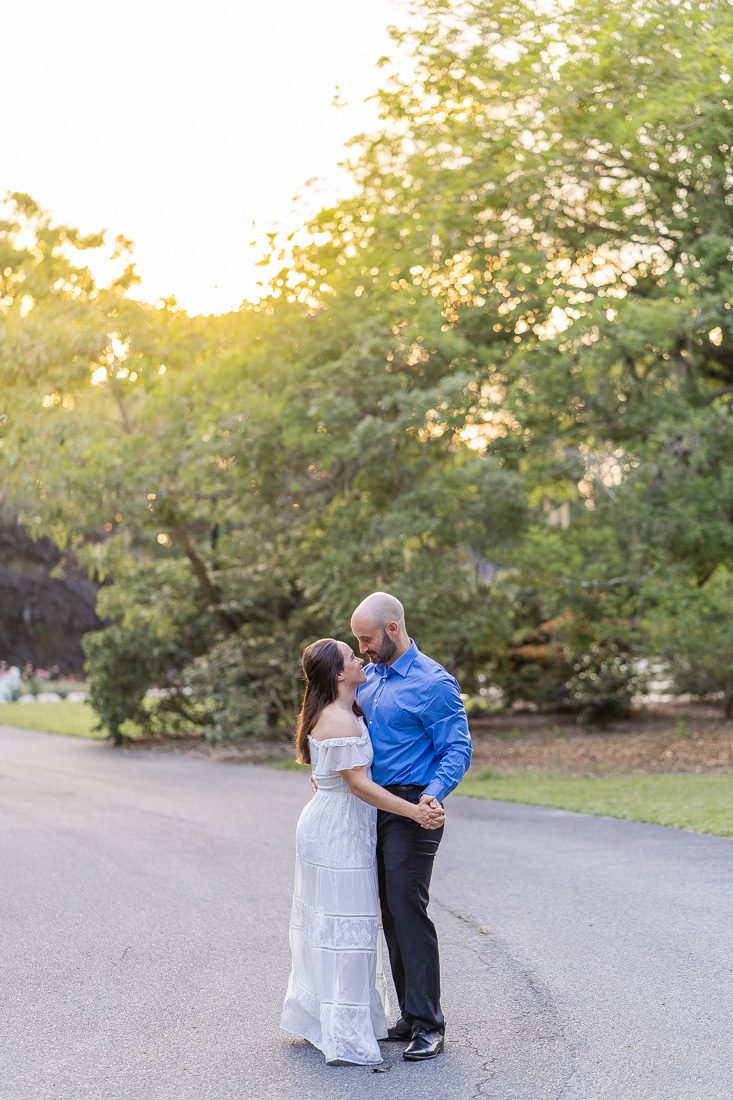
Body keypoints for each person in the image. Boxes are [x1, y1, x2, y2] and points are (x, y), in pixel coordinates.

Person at [280, 638, 445, 1067]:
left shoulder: (356, 696)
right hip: (337, 831)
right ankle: (344, 1030)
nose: (361, 656)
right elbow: (358, 784)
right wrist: (413, 811)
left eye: (363, 644)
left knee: (355, 923)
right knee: (346, 930)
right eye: (353, 655)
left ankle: (402, 1019)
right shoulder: (339, 718)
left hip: (343, 826)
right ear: (338, 674)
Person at [351, 591, 472, 1062]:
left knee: (408, 909)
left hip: (413, 808)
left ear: (393, 629)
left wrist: (433, 794)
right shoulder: (370, 677)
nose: (362, 648)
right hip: (371, 807)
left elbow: (457, 749)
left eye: (367, 639)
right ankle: (409, 1013)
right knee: (387, 911)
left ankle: (429, 1024)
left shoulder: (433, 683)